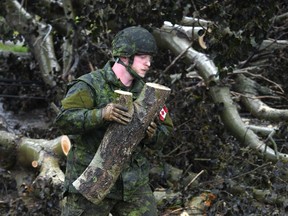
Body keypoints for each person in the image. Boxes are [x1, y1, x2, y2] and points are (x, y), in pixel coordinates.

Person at [56, 26, 173, 216]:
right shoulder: (90, 85)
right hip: (91, 180)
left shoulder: (149, 94)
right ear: (125, 56)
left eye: (150, 58)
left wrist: (152, 134)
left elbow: (165, 134)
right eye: (143, 57)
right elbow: (64, 119)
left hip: (132, 184)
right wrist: (101, 114)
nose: (148, 63)